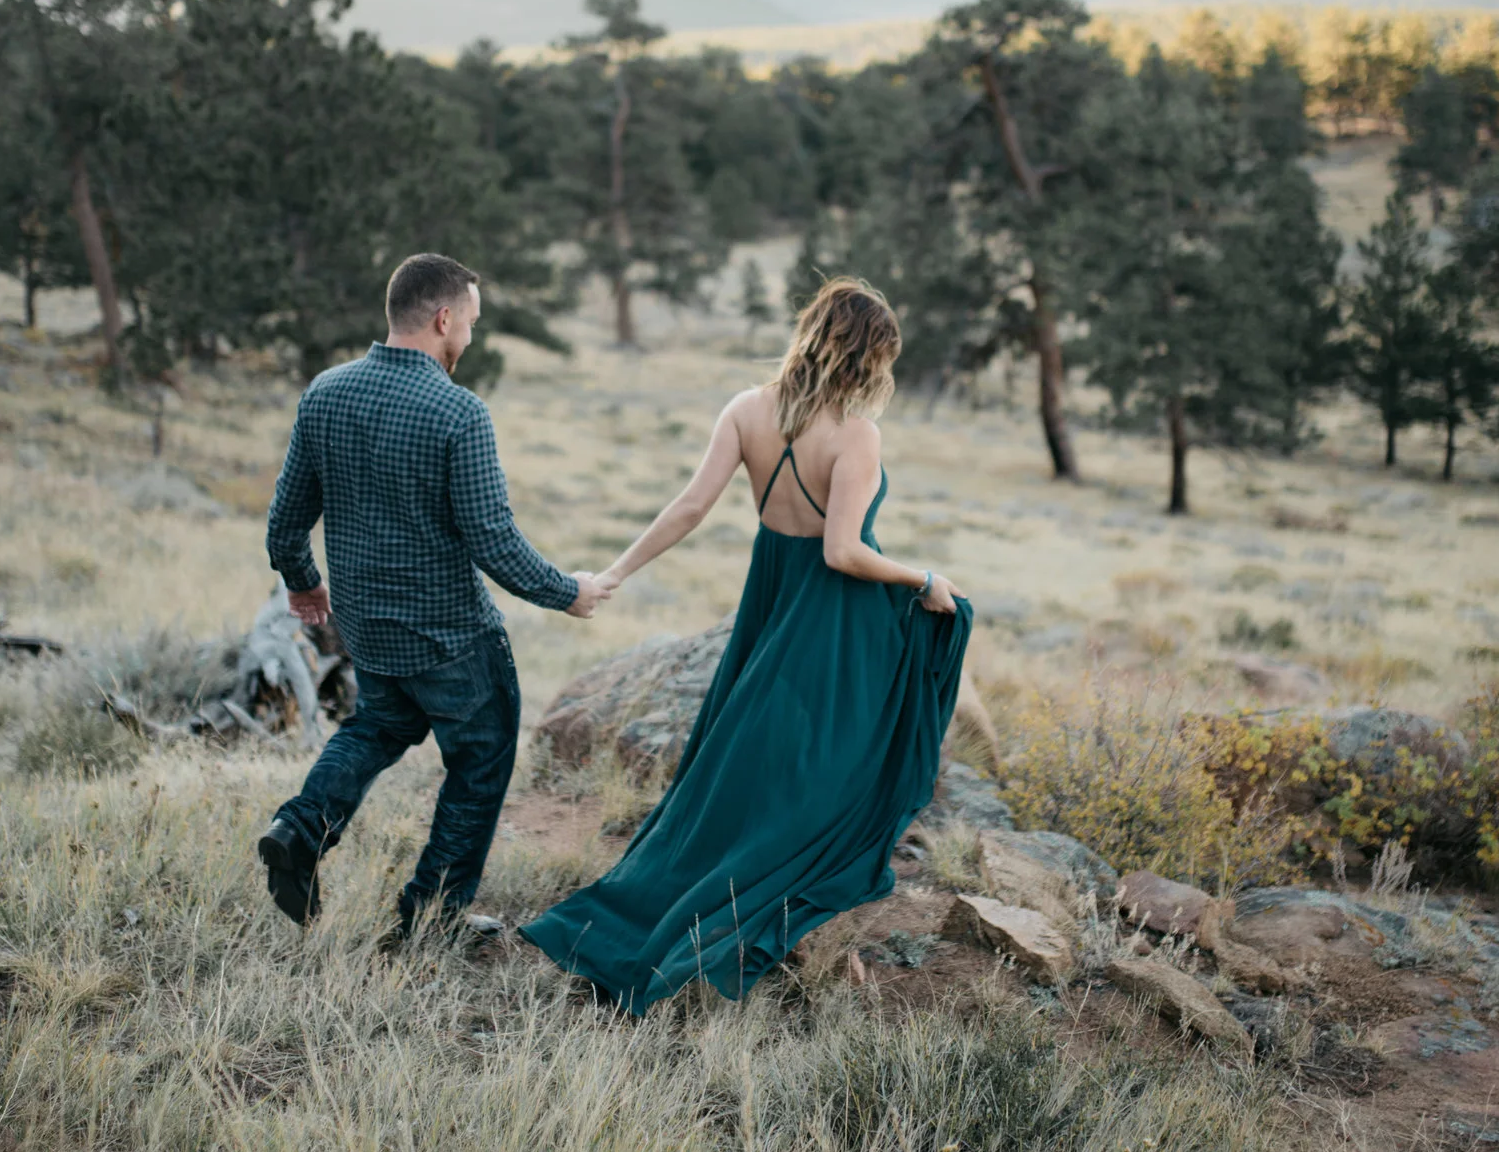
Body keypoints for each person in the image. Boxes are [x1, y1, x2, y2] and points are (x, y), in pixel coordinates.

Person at [520, 277, 972, 1013]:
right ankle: (769, 886)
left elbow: (690, 506)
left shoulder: (745, 409)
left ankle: (698, 884)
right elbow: (845, 552)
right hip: (832, 617)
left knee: (754, 756)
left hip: (771, 599)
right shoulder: (856, 432)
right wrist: (925, 576)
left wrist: (615, 572)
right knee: (828, 763)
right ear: (866, 355)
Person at [256, 253, 611, 942]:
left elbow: (283, 523)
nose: (471, 338)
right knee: (480, 761)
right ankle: (429, 919)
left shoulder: (325, 393)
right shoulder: (459, 412)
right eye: (470, 323)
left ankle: (297, 828)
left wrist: (303, 582)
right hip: (451, 637)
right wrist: (569, 591)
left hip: (369, 628)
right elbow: (495, 541)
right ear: (443, 317)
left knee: (379, 727)